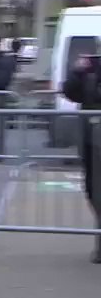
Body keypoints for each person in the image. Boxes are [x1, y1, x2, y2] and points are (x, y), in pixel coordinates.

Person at [61, 50, 101, 263]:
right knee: (94, 190)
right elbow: (70, 92)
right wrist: (77, 72)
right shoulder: (92, 67)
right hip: (90, 136)